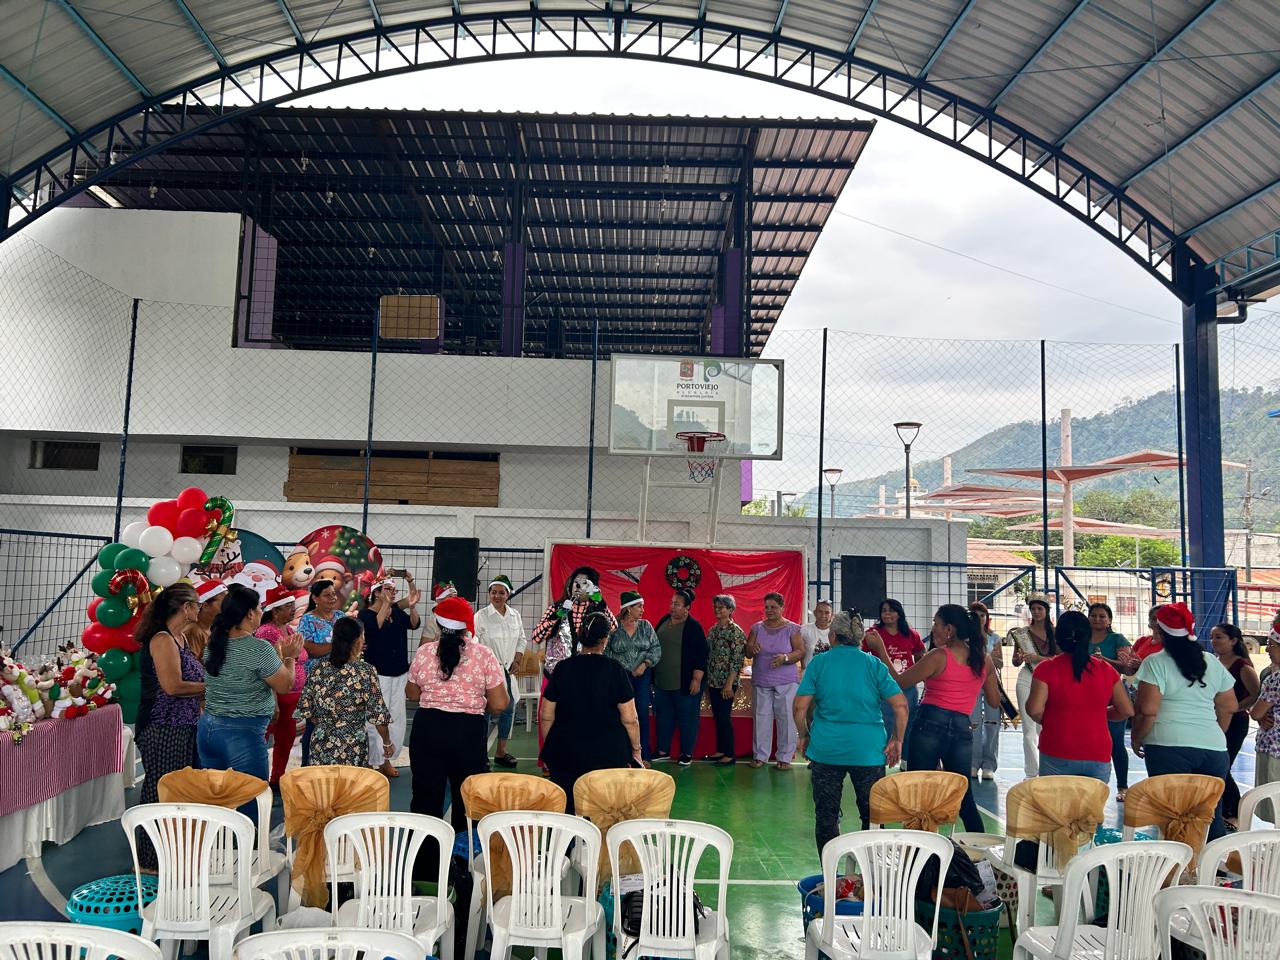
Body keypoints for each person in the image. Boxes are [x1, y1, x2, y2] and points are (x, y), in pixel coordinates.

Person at [867, 604, 1000, 832]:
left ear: (949, 629)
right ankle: (980, 849)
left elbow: (900, 681)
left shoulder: (939, 656)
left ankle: (918, 848)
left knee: (918, 792)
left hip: (930, 724)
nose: (933, 628)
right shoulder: (983, 660)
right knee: (964, 796)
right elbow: (994, 701)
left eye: (936, 624)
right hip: (962, 729)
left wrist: (880, 649)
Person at [796, 611, 907, 854]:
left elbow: (799, 707)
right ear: (859, 638)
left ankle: (830, 868)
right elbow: (901, 706)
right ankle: (873, 869)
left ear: (833, 636)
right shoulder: (874, 665)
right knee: (873, 815)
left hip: (826, 749)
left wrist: (803, 735)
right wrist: (897, 740)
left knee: (826, 815)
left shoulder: (819, 663)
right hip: (868, 751)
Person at [1132, 603, 1238, 841]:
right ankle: (1211, 861)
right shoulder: (1211, 661)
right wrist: (1214, 733)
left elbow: (1148, 710)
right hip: (1213, 748)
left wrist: (1137, 738)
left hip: (1168, 746)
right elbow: (1229, 706)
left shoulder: (1155, 663)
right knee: (1209, 814)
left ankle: (1177, 863)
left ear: (1161, 631)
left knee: (1172, 816)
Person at [407, 596, 508, 834]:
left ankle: (425, 854)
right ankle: (464, 853)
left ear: (439, 624)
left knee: (425, 796)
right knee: (467, 799)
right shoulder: (483, 654)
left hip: (428, 729)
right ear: (467, 625)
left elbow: (411, 693)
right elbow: (500, 704)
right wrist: (477, 703)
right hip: (467, 731)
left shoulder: (424, 652)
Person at [133, 583, 205, 870]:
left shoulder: (181, 638)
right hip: (162, 726)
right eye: (197, 604)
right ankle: (149, 860)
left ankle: (171, 851)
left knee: (177, 790)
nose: (200, 609)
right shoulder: (163, 640)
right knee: (159, 789)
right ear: (186, 608)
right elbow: (172, 686)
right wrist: (213, 687)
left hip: (183, 725)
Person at [197, 584, 302, 780]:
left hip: (208, 729)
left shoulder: (214, 644)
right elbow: (284, 686)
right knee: (251, 795)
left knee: (217, 793)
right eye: (260, 608)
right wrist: (289, 657)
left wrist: (278, 658)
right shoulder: (258, 648)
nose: (262, 612)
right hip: (242, 733)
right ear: (250, 614)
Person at [540, 612, 642, 813]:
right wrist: (636, 750)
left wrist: (554, 744)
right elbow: (630, 719)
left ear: (580, 636)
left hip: (566, 752)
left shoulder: (562, 668)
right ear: (605, 639)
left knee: (566, 811)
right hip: (608, 754)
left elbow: (546, 715)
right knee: (605, 812)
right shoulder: (615, 670)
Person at [1024, 611, 1133, 782]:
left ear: (1058, 638)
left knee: (1055, 799)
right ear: (1088, 636)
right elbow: (1126, 710)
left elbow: (1034, 710)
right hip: (1097, 751)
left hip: (1057, 748)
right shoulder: (1106, 670)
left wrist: (1053, 719)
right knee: (1093, 800)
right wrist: (1099, 714)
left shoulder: (1046, 669)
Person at [530, 567, 615, 766]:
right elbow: (536, 636)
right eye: (576, 582)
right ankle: (549, 759)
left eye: (585, 583)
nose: (578, 587)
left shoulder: (597, 610)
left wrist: (600, 601)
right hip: (556, 675)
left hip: (588, 676)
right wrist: (558, 615)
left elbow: (613, 627)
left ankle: (583, 759)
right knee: (549, 716)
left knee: (582, 718)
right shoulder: (556, 608)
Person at [297, 616, 392, 768]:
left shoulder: (317, 668)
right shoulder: (365, 671)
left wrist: (327, 724)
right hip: (353, 747)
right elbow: (378, 715)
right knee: (350, 783)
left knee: (323, 783)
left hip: (321, 745)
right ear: (358, 640)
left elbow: (307, 708)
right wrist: (387, 743)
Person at [358, 575, 421, 777]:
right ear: (376, 593)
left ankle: (386, 760)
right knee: (374, 718)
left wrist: (412, 607)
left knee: (395, 717)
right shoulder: (365, 615)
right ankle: (370, 760)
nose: (393, 593)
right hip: (378, 673)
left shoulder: (396, 612)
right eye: (388, 589)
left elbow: (414, 624)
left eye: (394, 590)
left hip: (399, 672)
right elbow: (373, 629)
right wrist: (386, 604)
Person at [474, 574, 528, 769]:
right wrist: (484, 664)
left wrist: (518, 659)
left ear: (508, 594)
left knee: (508, 710)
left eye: (501, 593)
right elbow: (473, 642)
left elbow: (522, 639)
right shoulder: (481, 616)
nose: (497, 596)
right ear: (489, 594)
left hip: (508, 671)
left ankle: (500, 752)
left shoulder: (515, 616)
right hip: (488, 671)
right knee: (485, 712)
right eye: (494, 592)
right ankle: (480, 754)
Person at [746, 592, 805, 770]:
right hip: (761, 680)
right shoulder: (756, 628)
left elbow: (800, 651)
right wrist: (752, 648)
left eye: (773, 607)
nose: (769, 610)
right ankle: (760, 756)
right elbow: (747, 652)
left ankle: (785, 757)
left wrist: (785, 658)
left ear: (782, 608)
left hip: (786, 681)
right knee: (761, 718)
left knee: (786, 719)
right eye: (767, 607)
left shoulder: (792, 628)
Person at [255, 585, 306, 785]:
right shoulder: (267, 632)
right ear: (275, 611)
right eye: (288, 606)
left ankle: (277, 778)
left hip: (292, 696)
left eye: (293, 605)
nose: (293, 609)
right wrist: (274, 700)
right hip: (276, 695)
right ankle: (255, 779)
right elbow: (267, 668)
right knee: (262, 737)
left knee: (286, 739)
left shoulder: (289, 629)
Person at [864, 599, 925, 767]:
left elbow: (920, 653)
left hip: (907, 687)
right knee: (883, 721)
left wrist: (920, 673)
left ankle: (905, 759)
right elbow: (861, 654)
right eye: (884, 610)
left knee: (908, 721)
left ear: (899, 613)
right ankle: (880, 759)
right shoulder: (873, 634)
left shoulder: (911, 634)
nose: (887, 614)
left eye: (891, 610)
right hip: (882, 686)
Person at [1210, 622, 1260, 828]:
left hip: (1235, 722)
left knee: (1223, 766)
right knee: (1215, 765)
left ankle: (1235, 812)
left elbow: (1255, 694)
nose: (1214, 641)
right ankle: (1223, 809)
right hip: (1213, 719)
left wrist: (1234, 708)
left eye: (1219, 637)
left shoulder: (1242, 666)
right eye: (1212, 637)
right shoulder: (1212, 662)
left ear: (1233, 641)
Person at [653, 588, 709, 766]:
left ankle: (686, 753)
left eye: (677, 604)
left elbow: (701, 656)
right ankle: (663, 751)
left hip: (684, 683)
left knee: (687, 719)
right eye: (671, 603)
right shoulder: (664, 620)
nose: (672, 607)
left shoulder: (693, 627)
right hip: (662, 682)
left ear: (687, 608)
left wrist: (696, 679)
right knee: (663, 717)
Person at [605, 591, 662, 763]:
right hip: (619, 679)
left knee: (641, 713)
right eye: (639, 606)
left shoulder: (646, 626)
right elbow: (606, 651)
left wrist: (645, 664)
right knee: (619, 715)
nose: (643, 610)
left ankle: (642, 756)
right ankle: (621, 755)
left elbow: (656, 649)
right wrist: (615, 671)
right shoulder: (613, 627)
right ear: (628, 609)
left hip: (641, 677)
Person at [1087, 602, 1134, 800]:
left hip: (1113, 694)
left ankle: (1122, 786)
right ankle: (1089, 785)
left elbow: (1126, 667)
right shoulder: (1081, 638)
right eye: (1093, 615)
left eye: (1102, 616)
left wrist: (1104, 661)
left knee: (1115, 741)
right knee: (1088, 740)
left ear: (1109, 620)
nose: (1097, 619)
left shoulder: (1118, 639)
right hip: (1086, 693)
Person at [1009, 593, 1057, 777]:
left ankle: (1046, 769)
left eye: (1039, 608)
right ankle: (1031, 772)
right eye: (1033, 609)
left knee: (1045, 726)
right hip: (1027, 677)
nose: (1036, 612)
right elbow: (1015, 661)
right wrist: (1018, 657)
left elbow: (1059, 659)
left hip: (1047, 680)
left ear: (1046, 610)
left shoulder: (1055, 633)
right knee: (1028, 728)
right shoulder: (1023, 634)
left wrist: (1038, 658)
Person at [297, 580, 342, 765]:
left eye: (333, 594)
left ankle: (330, 763)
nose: (332, 598)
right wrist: (337, 645)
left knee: (336, 722)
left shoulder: (340, 616)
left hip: (340, 678)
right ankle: (306, 765)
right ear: (315, 598)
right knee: (314, 723)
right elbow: (310, 649)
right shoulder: (307, 620)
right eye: (327, 595)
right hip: (316, 681)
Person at [704, 594, 747, 765]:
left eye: (721, 607)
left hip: (727, 682)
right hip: (713, 681)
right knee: (718, 717)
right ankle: (721, 749)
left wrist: (729, 684)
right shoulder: (713, 630)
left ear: (730, 610)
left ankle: (729, 753)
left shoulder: (736, 631)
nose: (717, 610)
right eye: (716, 607)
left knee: (724, 717)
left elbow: (737, 660)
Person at [967, 601, 1003, 780]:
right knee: (973, 723)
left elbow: (1000, 663)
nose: (980, 618)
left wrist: (990, 658)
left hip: (991, 683)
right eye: (976, 615)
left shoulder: (994, 638)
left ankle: (989, 763)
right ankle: (973, 762)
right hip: (971, 683)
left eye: (983, 615)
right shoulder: (965, 638)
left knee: (992, 722)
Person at [1248, 629, 1280, 825]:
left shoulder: (1275, 678)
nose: (1267, 649)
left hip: (1275, 749)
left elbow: (1257, 713)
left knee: (1275, 804)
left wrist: (1258, 714)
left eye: (1271, 645)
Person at [186, 579, 226, 661]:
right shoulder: (193, 631)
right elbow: (190, 666)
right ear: (205, 606)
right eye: (224, 603)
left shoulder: (210, 629)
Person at [799, 600, 834, 675]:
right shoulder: (804, 629)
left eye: (827, 612)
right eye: (820, 612)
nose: (823, 615)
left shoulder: (837, 632)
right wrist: (802, 666)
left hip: (830, 675)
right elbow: (798, 651)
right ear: (814, 613)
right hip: (809, 675)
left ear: (832, 615)